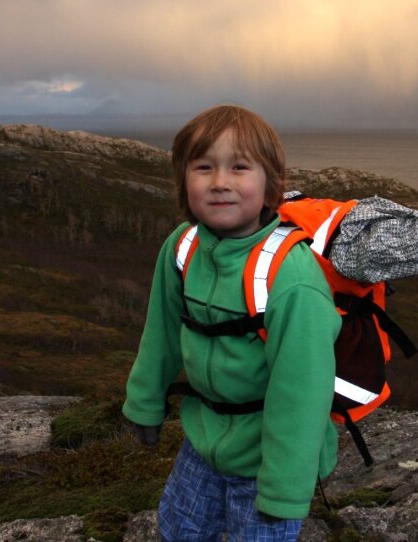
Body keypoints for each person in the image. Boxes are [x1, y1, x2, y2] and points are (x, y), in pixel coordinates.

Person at [122, 104, 341, 541]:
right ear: (184, 182)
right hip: (202, 443)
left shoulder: (291, 278)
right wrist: (143, 403)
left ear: (271, 185)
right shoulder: (182, 247)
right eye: (203, 167)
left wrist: (284, 491)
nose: (220, 182)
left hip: (269, 461)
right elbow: (161, 333)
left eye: (240, 167)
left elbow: (303, 393)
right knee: (178, 531)